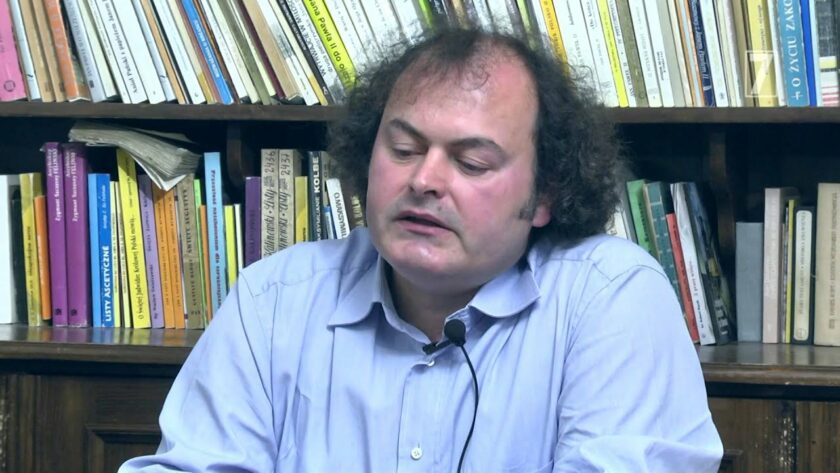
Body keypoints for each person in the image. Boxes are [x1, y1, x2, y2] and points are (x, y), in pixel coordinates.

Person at [121, 28, 722, 472]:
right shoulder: (273, 300)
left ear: (545, 195)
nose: (424, 180)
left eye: (472, 162)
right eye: (404, 149)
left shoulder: (610, 297)